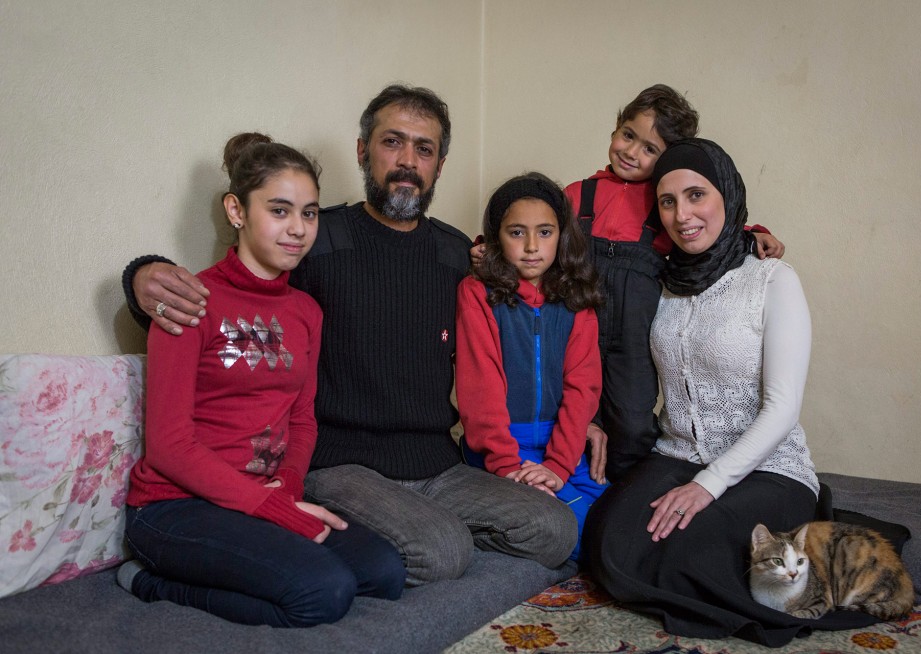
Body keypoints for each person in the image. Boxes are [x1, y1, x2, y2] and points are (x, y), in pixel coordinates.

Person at [121, 85, 578, 587]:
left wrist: (589, 420)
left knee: (554, 529)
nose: (407, 161)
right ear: (363, 151)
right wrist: (141, 276)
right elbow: (237, 294)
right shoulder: (316, 238)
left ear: (440, 165)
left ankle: (420, 534)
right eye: (392, 143)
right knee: (443, 551)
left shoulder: (455, 254)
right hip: (341, 464)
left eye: (423, 149)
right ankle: (400, 539)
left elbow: (539, 309)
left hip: (436, 463)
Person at [582, 138, 879, 646]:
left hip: (769, 467)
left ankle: (773, 550)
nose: (682, 215)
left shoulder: (772, 280)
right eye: (668, 202)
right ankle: (682, 578)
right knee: (607, 537)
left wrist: (710, 484)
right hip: (675, 455)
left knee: (689, 547)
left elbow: (782, 409)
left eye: (697, 196)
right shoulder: (661, 282)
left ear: (727, 196)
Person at [118, 133, 405, 627]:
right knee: (324, 593)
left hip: (262, 493)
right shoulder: (190, 299)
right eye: (279, 211)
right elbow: (168, 445)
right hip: (174, 506)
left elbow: (303, 418)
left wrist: (288, 490)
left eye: (309, 213)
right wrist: (273, 509)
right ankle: (147, 580)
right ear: (237, 211)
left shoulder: (306, 311)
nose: (297, 230)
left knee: (385, 572)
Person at [474, 85, 785, 483]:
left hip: (633, 338)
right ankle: (561, 481)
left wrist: (752, 234)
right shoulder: (577, 194)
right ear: (615, 129)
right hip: (572, 326)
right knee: (563, 409)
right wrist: (486, 248)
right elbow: (529, 227)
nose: (632, 152)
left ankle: (621, 492)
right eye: (628, 135)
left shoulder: (665, 204)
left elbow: (708, 229)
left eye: (650, 149)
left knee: (633, 422)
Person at [456, 173, 604, 561]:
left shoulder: (577, 299)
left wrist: (557, 465)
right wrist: (507, 466)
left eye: (545, 232)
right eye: (517, 233)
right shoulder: (478, 295)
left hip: (564, 449)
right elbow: (480, 389)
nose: (533, 247)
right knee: (576, 536)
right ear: (495, 238)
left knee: (612, 526)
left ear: (562, 235)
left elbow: (583, 388)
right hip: (504, 449)